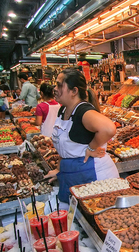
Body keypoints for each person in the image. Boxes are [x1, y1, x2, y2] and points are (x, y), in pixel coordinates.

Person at [44, 68, 118, 203]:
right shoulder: (63, 110)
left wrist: (91, 148)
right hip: (74, 174)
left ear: (74, 91)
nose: (55, 88)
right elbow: (64, 147)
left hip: (95, 175)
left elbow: (108, 129)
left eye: (59, 85)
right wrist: (59, 170)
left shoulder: (83, 111)